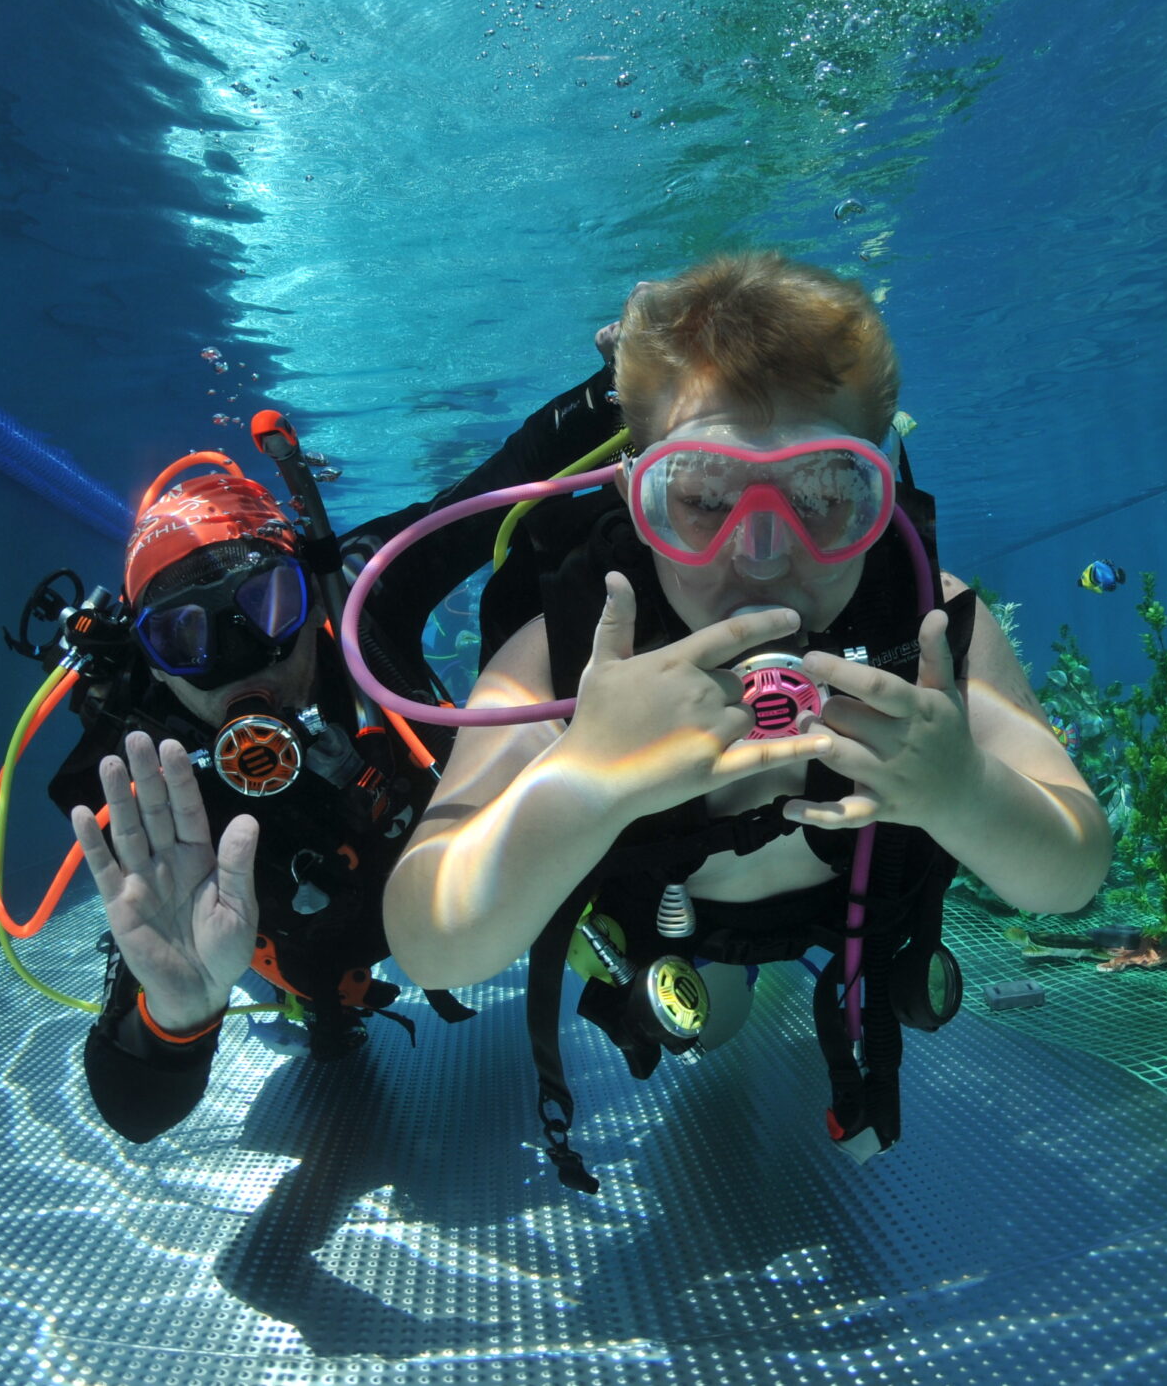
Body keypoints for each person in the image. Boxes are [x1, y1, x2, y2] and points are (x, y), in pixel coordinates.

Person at [382, 253, 1110, 1190]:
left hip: (858, 916)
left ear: (879, 493)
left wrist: (965, 792)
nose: (763, 555)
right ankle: (724, 990)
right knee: (715, 1028)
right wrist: (581, 783)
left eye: (821, 494)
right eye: (701, 497)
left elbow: (1072, 871)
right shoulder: (565, 657)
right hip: (674, 926)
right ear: (634, 496)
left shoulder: (935, 628)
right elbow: (430, 942)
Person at [42, 362, 626, 1143]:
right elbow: (135, 1114)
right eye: (185, 638)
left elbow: (507, 479)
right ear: (152, 666)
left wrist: (622, 382)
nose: (241, 661)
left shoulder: (354, 594)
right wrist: (179, 1012)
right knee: (317, 1022)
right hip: (306, 954)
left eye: (266, 603)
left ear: (309, 589)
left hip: (451, 873)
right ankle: (318, 1012)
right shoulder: (145, 776)